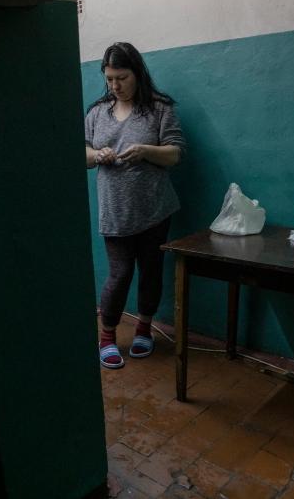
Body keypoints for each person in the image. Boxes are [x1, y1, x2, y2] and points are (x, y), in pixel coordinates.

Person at [84, 42, 185, 369]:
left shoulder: (160, 108)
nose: (115, 85)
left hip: (155, 209)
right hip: (115, 211)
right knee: (120, 272)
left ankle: (144, 328)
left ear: (137, 73)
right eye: (110, 79)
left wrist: (145, 150)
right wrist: (96, 155)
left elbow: (175, 153)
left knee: (151, 269)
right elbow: (82, 152)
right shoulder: (98, 112)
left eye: (121, 78)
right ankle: (108, 336)